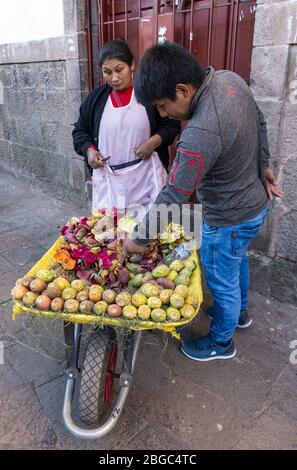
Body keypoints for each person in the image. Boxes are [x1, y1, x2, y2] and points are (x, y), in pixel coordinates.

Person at [121, 41, 284, 361]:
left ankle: (221, 342)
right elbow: (260, 120)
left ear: (182, 90)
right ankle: (239, 313)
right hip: (254, 206)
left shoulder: (201, 131)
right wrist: (264, 164)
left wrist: (138, 238)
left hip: (228, 217)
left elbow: (174, 194)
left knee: (220, 275)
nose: (163, 114)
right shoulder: (230, 80)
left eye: (162, 106)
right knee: (236, 261)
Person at [72, 38, 180, 219]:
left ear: (132, 65)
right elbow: (80, 132)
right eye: (107, 72)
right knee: (110, 235)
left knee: (149, 234)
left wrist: (154, 142)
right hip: (109, 182)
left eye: (119, 70)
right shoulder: (95, 100)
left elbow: (172, 123)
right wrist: (89, 150)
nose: (114, 78)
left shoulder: (149, 94)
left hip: (146, 178)